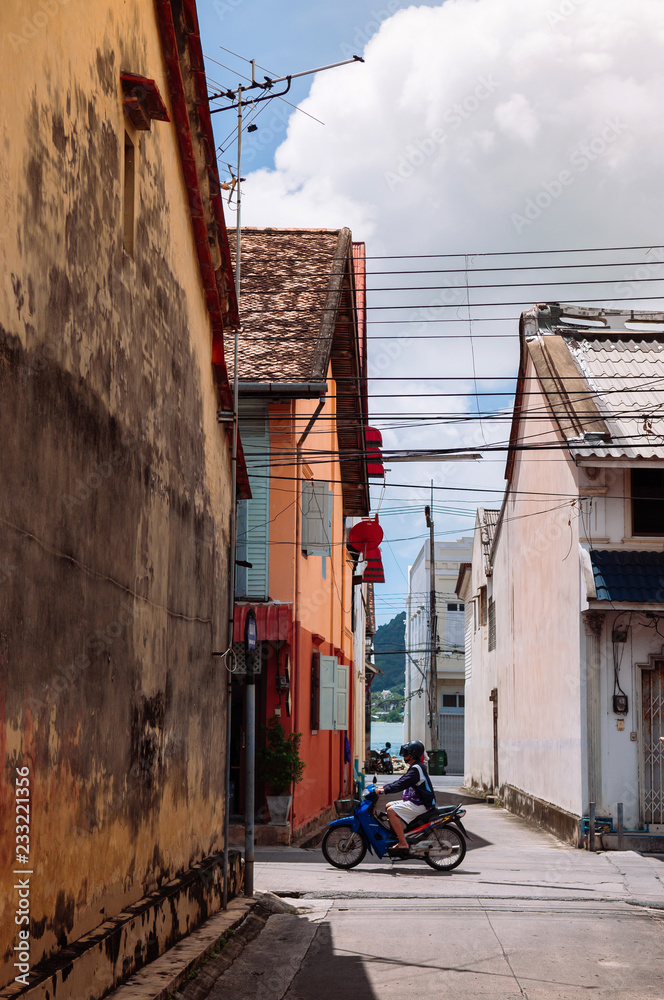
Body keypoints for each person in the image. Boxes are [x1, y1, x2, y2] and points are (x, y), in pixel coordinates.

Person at [377, 740, 435, 858]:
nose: (403, 756)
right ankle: (398, 836)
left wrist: (385, 790)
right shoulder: (416, 767)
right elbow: (401, 781)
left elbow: (401, 784)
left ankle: (403, 843)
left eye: (406, 753)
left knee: (391, 811)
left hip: (422, 804)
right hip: (417, 801)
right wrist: (384, 787)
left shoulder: (416, 769)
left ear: (412, 755)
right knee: (388, 805)